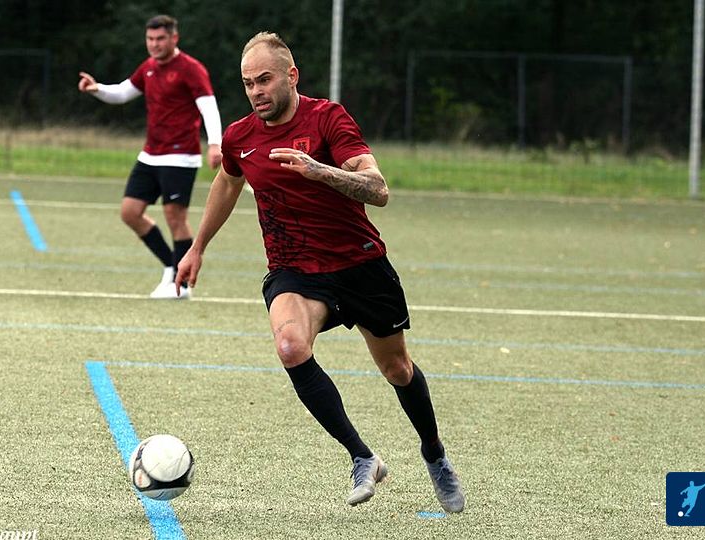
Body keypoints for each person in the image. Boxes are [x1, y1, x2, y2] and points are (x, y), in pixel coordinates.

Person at [175, 32, 465, 511]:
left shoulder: (328, 118)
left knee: (396, 368)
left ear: (291, 76)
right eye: (248, 83)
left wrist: (320, 171)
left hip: (360, 264)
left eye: (264, 80)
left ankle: (434, 453)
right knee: (290, 346)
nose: (256, 91)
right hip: (295, 270)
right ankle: (362, 456)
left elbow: (378, 189)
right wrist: (197, 247)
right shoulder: (241, 137)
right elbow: (227, 183)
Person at [78, 14, 222, 299]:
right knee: (130, 212)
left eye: (160, 39)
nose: (154, 44)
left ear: (174, 38)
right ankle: (171, 265)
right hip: (150, 154)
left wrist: (215, 143)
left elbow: (208, 107)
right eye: (150, 39)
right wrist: (97, 89)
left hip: (180, 156)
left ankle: (181, 286)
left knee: (175, 217)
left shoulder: (191, 69)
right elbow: (122, 93)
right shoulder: (149, 68)